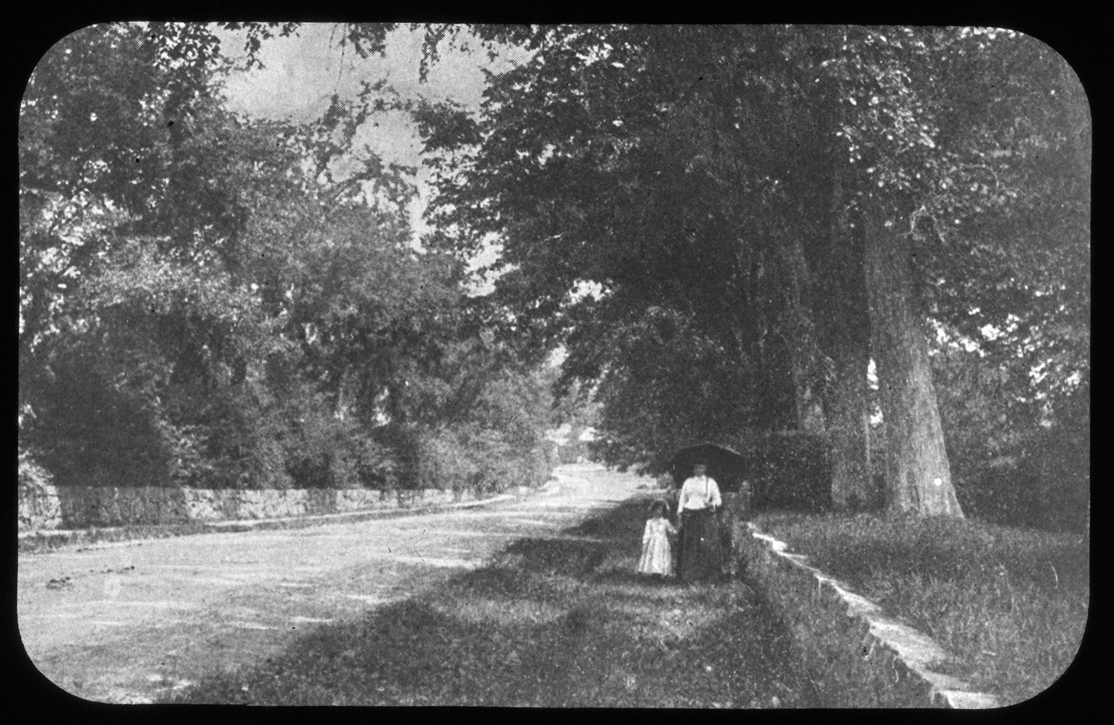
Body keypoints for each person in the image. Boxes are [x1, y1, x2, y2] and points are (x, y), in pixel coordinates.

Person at [676, 462, 723, 582]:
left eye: (701, 467)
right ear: (693, 468)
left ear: (705, 468)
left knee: (704, 545)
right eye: (696, 467)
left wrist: (711, 504)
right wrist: (680, 515)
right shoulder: (688, 482)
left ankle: (704, 575)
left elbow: (718, 501)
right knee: (690, 543)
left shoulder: (710, 482)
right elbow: (682, 499)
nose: (698, 469)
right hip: (689, 514)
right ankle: (689, 576)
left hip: (704, 515)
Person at [637, 499, 677, 578]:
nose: (658, 512)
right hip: (653, 542)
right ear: (653, 510)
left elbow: (672, 531)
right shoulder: (650, 522)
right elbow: (647, 533)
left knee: (661, 556)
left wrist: (677, 530)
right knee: (653, 556)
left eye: (660, 510)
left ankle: (660, 572)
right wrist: (645, 542)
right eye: (656, 510)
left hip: (662, 542)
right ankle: (652, 571)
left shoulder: (665, 522)